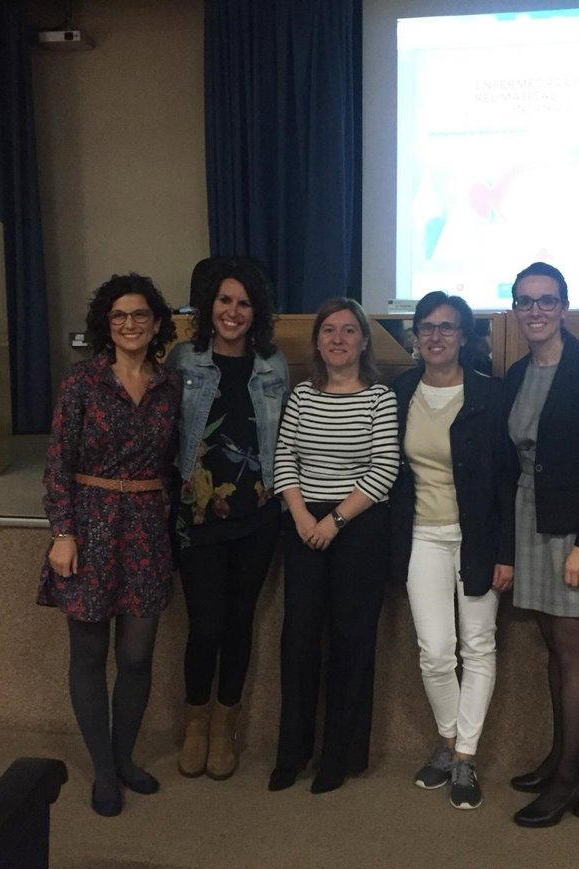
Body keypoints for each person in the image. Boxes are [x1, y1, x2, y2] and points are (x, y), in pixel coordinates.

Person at [37, 272, 180, 817]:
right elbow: (58, 462)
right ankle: (102, 769)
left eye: (140, 314)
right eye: (119, 315)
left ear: (156, 323)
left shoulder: (170, 386)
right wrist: (62, 533)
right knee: (90, 654)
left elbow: (174, 461)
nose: (129, 324)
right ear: (107, 323)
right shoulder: (82, 382)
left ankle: (124, 758)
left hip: (145, 526)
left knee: (137, 656)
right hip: (90, 525)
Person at [502, 261, 579, 828]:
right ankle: (560, 756)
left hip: (577, 527)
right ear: (514, 309)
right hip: (531, 516)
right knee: (552, 642)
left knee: (574, 649)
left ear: (564, 307)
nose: (536, 311)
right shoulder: (516, 374)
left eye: (546, 300)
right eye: (525, 301)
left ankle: (571, 775)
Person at [269, 298, 400, 794]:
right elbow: (285, 458)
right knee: (299, 641)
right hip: (304, 525)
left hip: (360, 527)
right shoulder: (302, 396)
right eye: (329, 330)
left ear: (364, 341)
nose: (338, 339)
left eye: (348, 330)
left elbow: (385, 467)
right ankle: (292, 753)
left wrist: (335, 521)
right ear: (318, 341)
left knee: (352, 641)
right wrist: (303, 516)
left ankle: (339, 756)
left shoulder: (380, 398)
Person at [389, 291, 515, 810]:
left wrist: (506, 551)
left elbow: (508, 480)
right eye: (427, 327)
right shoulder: (398, 392)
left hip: (478, 537)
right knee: (436, 651)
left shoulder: (491, 394)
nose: (436, 336)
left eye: (446, 327)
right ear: (416, 336)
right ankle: (447, 738)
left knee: (478, 646)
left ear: (464, 336)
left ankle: (464, 755)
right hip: (421, 535)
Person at [166, 257, 288, 780]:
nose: (232, 311)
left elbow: (282, 439)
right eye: (224, 300)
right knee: (206, 625)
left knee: (240, 622)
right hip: (197, 516)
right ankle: (195, 722)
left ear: (256, 311)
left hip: (257, 516)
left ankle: (224, 726)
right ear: (208, 304)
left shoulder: (273, 365)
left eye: (243, 303)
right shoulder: (183, 359)